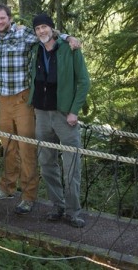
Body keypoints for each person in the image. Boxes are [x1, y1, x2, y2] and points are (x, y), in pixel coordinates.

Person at [0, 5, 79, 216]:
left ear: (10, 18)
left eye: (3, 18)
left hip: (23, 98)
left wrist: (68, 37)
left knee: (26, 147)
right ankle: (7, 187)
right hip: (4, 100)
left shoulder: (24, 33)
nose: (0, 22)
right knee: (7, 145)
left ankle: (28, 196)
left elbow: (47, 35)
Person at [29, 13, 90, 228]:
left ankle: (73, 212)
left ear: (52, 29)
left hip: (65, 115)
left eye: (44, 27)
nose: (41, 31)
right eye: (38, 29)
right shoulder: (35, 49)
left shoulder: (70, 49)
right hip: (42, 114)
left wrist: (74, 111)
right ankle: (57, 205)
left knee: (71, 165)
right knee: (46, 163)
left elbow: (83, 82)